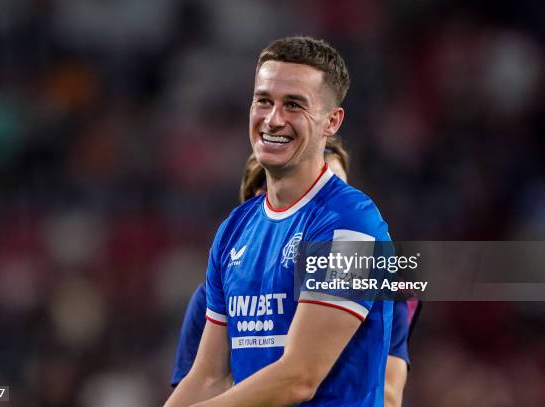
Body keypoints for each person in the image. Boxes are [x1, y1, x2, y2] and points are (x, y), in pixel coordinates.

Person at [164, 36, 392, 406]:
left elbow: (300, 377)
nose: (273, 119)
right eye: (264, 101)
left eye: (294, 105)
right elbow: (209, 375)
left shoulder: (353, 226)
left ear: (331, 121)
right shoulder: (234, 230)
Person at [170, 140, 420, 407]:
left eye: (338, 189)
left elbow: (388, 397)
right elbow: (203, 382)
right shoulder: (213, 297)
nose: (327, 208)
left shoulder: (378, 284)